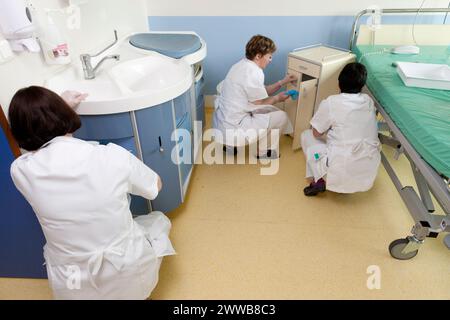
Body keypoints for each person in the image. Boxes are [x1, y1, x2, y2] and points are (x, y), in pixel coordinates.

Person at [8, 86, 175, 299]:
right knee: (159, 220)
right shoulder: (112, 156)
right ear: (64, 116)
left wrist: (49, 114)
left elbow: (38, 150)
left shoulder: (21, 170)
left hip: (72, 284)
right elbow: (155, 187)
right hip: (128, 276)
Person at [300, 62, 381, 196]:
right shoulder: (368, 101)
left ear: (339, 83)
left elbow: (316, 133)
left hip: (339, 170)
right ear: (362, 86)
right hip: (368, 170)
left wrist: (329, 130)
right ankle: (327, 178)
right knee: (340, 138)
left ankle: (319, 180)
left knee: (306, 136)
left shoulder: (331, 102)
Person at [212, 34, 297, 159]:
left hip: (223, 122)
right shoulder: (254, 72)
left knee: (249, 109)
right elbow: (259, 103)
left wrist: (282, 82)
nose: (270, 60)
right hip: (235, 127)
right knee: (281, 116)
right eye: (269, 56)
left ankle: (230, 147)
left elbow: (260, 91)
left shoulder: (241, 65)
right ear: (258, 56)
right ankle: (263, 153)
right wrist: (277, 98)